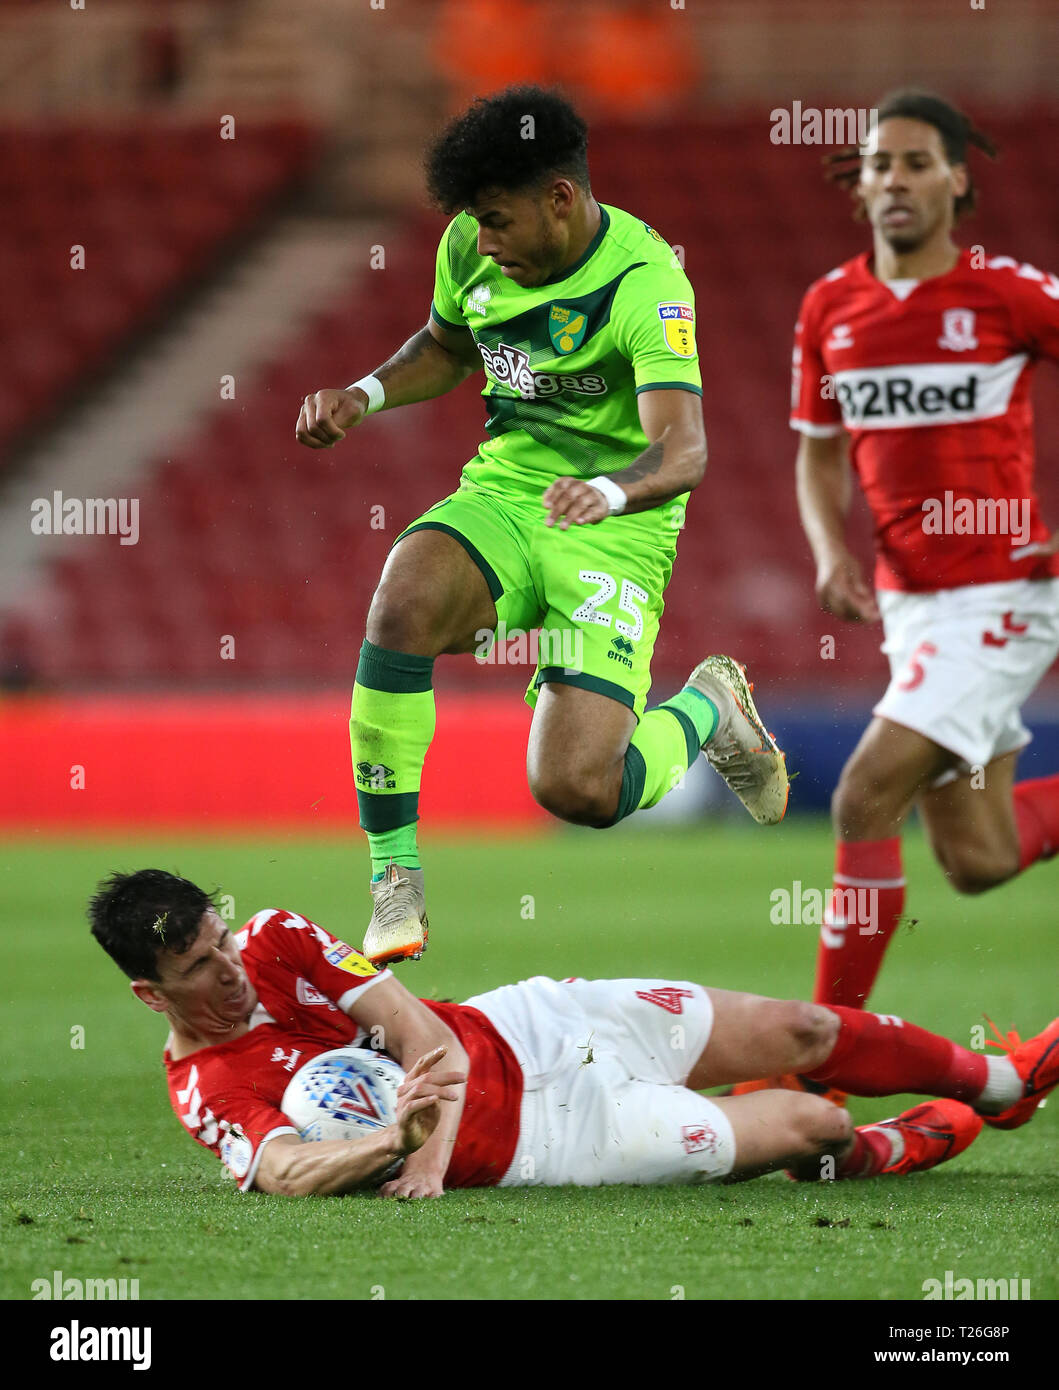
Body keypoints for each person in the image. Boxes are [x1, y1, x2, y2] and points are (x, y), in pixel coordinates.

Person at [295, 85, 788, 966]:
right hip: (510, 493)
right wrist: (363, 395)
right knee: (400, 604)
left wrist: (605, 491)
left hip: (615, 526)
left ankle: (707, 708)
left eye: (496, 221)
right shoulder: (470, 246)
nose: (481, 242)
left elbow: (684, 452)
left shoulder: (646, 284)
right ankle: (394, 882)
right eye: (473, 225)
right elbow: (448, 347)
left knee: (578, 791)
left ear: (559, 199)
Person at [89, 869, 1057, 1198]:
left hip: (538, 1021)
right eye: (197, 970)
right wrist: (393, 1142)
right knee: (817, 1133)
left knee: (803, 1026)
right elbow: (285, 1169)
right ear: (149, 994)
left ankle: (1000, 1085)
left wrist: (422, 1158)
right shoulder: (205, 1089)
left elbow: (420, 1028)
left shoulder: (275, 941)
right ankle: (870, 1148)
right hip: (560, 1144)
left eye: (218, 943)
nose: (226, 972)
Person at [786, 89, 1059, 1038]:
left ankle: (821, 1047)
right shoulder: (829, 307)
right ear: (857, 185)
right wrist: (830, 551)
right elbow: (818, 451)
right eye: (875, 165)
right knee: (976, 858)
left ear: (955, 178)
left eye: (912, 162)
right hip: (910, 607)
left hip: (1005, 593)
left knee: (865, 791)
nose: (892, 179)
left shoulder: (1006, 290)